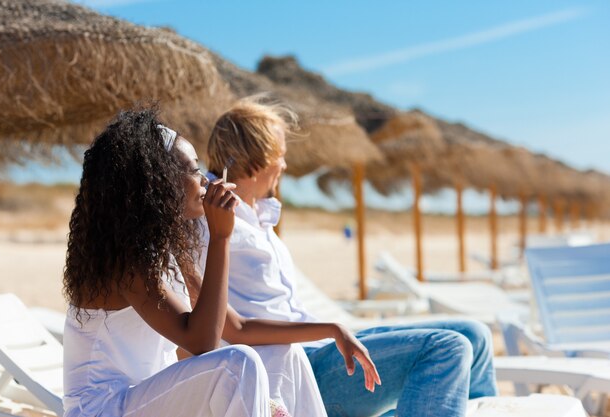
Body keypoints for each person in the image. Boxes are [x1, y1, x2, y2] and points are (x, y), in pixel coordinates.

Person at [62, 108, 378, 417]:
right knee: (238, 365)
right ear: (158, 182)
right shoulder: (128, 260)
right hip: (103, 408)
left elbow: (235, 327)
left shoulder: (166, 252)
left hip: (146, 400)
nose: (203, 180)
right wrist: (221, 238)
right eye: (192, 169)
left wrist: (334, 329)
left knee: (285, 354)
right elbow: (201, 342)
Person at [203, 98, 499, 417]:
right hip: (297, 373)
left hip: (318, 347)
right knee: (448, 349)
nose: (285, 166)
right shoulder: (212, 225)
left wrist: (330, 331)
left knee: (476, 335)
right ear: (258, 156)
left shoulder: (259, 218)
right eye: (281, 155)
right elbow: (229, 327)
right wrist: (330, 329)